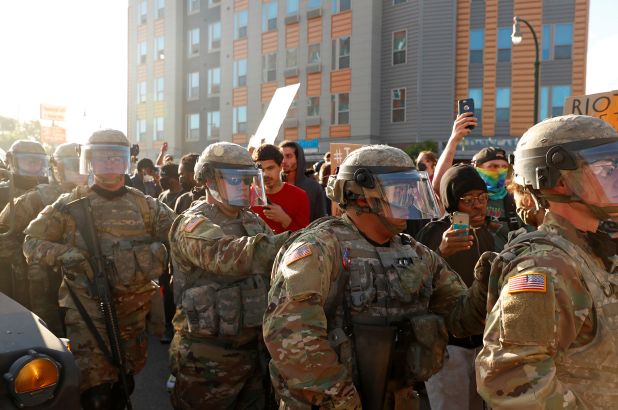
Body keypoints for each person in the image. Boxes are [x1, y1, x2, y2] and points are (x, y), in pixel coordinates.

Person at [263, 145, 491, 409]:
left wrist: (488, 283)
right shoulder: (320, 248)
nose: (409, 201)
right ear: (362, 197)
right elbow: (290, 335)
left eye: (411, 191)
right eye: (399, 192)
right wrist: (344, 400)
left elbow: (461, 319)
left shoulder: (415, 252)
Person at [23, 129, 176, 408]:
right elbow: (31, 242)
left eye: (115, 158)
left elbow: (179, 236)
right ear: (90, 162)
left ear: (125, 162)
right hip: (88, 311)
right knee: (95, 392)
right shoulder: (69, 205)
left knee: (124, 382)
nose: (109, 165)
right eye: (101, 158)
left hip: (133, 313)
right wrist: (66, 253)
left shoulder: (146, 206)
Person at [476, 115, 618, 408]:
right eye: (604, 168)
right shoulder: (545, 267)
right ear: (558, 182)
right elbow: (511, 380)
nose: (615, 176)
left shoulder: (598, 249)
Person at [168, 142, 290, 409]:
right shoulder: (192, 223)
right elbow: (226, 255)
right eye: (237, 180)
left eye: (248, 180)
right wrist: (294, 239)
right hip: (208, 360)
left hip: (254, 352)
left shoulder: (252, 221)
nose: (245, 187)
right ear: (209, 180)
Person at [416, 164, 495, 410]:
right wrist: (442, 252)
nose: (478, 205)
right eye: (468, 200)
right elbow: (416, 283)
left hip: (481, 342)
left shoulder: (485, 233)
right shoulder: (433, 233)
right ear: (452, 202)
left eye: (482, 197)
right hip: (447, 344)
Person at [0, 142, 87, 335]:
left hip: (80, 277)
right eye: (75, 166)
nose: (82, 173)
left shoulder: (95, 197)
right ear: (59, 168)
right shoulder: (36, 198)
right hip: (41, 279)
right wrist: (29, 260)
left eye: (84, 166)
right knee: (45, 331)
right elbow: (3, 235)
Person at [0, 139, 50, 304]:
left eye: (37, 161)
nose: (33, 166)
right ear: (12, 161)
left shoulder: (48, 191)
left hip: (42, 263)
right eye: (28, 161)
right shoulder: (3, 191)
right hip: (10, 266)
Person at [251, 144, 310, 233]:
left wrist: (285, 219)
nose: (265, 174)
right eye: (261, 170)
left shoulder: (299, 196)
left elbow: (304, 238)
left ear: (280, 166)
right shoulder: (250, 194)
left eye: (270, 168)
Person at [471, 147, 521, 248]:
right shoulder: (466, 200)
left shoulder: (516, 199)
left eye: (504, 167)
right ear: (477, 169)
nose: (500, 171)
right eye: (493, 166)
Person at [279, 140, 327, 221]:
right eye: (281, 157)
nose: (283, 161)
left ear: (298, 159)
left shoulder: (314, 187)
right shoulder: (274, 185)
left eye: (288, 156)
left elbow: (320, 219)